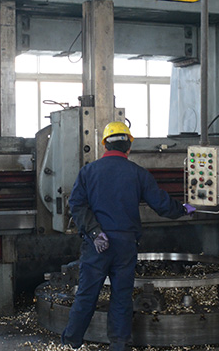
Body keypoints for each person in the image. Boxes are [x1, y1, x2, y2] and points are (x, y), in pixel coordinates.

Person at [61, 121, 195, 351]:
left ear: (104, 145)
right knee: (121, 296)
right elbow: (161, 205)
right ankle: (119, 345)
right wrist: (185, 209)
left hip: (97, 244)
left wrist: (95, 232)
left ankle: (71, 342)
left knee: (86, 294)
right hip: (125, 244)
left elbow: (76, 205)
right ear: (129, 147)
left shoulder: (88, 172)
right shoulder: (138, 174)